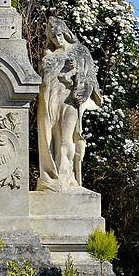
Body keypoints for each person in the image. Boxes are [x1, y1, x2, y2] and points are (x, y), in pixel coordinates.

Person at [36, 17, 102, 192]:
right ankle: (51, 179)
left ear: (65, 33)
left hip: (70, 99)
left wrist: (84, 89)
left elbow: (91, 79)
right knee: (50, 137)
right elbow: (44, 80)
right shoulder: (49, 57)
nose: (57, 39)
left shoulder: (80, 51)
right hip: (50, 98)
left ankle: (67, 179)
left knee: (67, 138)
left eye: (58, 35)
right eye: (53, 37)